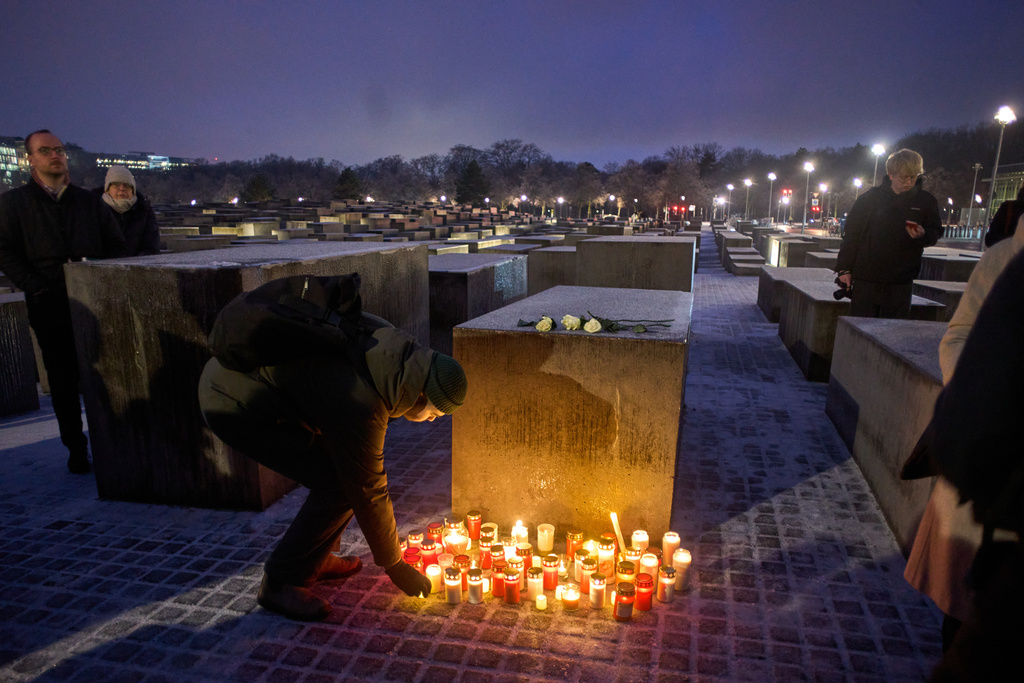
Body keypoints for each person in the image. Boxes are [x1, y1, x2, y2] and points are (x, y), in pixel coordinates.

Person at [197, 273, 467, 621]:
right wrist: (395, 565)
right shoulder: (364, 404)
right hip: (235, 403)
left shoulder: (393, 348)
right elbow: (369, 488)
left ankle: (314, 558)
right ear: (419, 395)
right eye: (435, 412)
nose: (432, 420)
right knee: (340, 483)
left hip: (243, 383)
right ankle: (280, 583)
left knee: (338, 477)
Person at [904, 213, 1024, 652]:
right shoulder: (1007, 260)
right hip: (998, 488)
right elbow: (958, 339)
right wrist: (980, 394)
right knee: (973, 629)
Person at [0, 130, 126, 473]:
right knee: (62, 381)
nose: (55, 155)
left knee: (108, 375)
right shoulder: (13, 203)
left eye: (59, 150)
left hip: (95, 300)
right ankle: (75, 446)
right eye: (45, 151)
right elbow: (5, 251)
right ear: (31, 159)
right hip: (48, 303)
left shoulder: (89, 202)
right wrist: (36, 286)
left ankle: (114, 441)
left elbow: (116, 246)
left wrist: (100, 279)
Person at [836, 149, 943, 318]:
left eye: (913, 177)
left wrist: (924, 233)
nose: (909, 182)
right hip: (866, 278)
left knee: (893, 333)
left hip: (901, 281)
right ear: (891, 174)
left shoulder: (925, 201)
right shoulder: (869, 199)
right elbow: (851, 236)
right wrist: (844, 269)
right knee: (860, 330)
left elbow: (936, 231)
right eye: (904, 177)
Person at [94, 166, 159, 256]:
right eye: (116, 184)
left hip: (135, 267)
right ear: (108, 189)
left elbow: (151, 246)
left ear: (133, 190)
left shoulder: (144, 211)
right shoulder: (93, 210)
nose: (121, 188)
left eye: (127, 185)